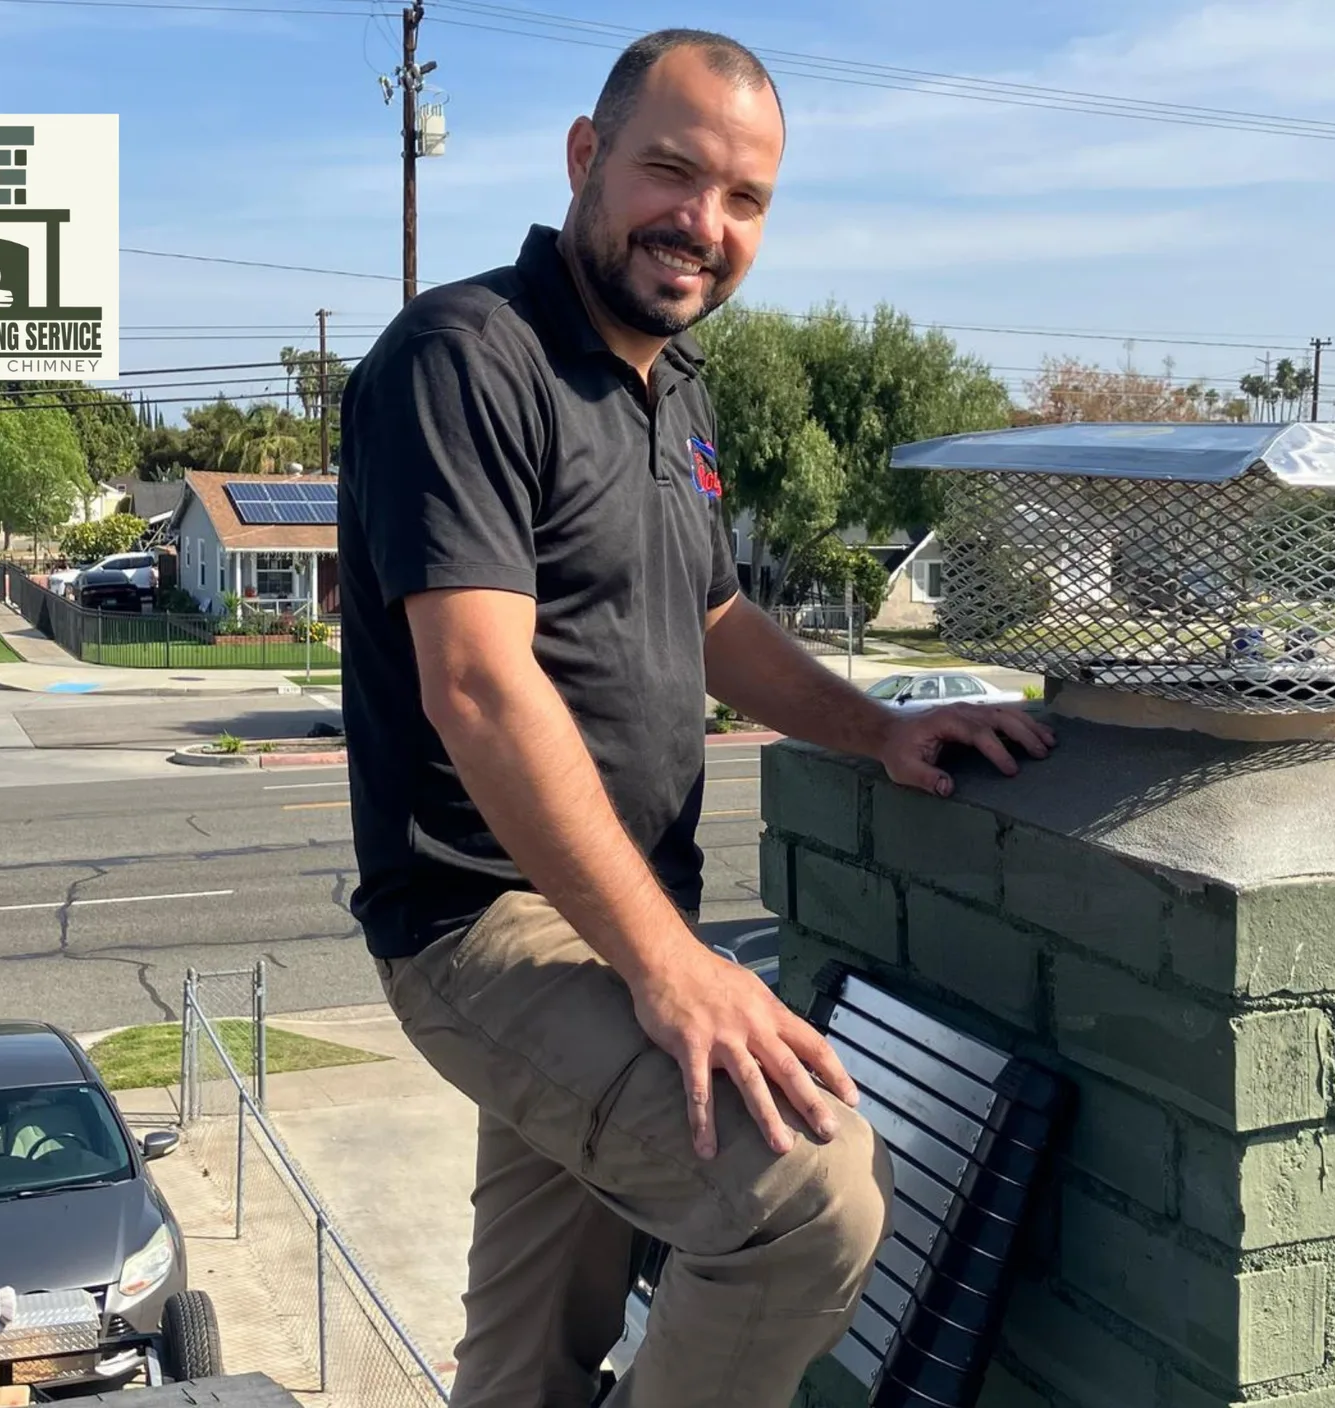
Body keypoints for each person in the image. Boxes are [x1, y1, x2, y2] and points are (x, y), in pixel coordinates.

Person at [337, 27, 1055, 1408]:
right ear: (585, 158)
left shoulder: (679, 393)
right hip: (490, 924)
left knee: (529, 1353)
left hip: (613, 918)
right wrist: (668, 969)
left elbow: (711, 621)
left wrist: (881, 730)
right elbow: (479, 684)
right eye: (673, 173)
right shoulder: (467, 358)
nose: (705, 225)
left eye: (747, 200)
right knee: (808, 1202)